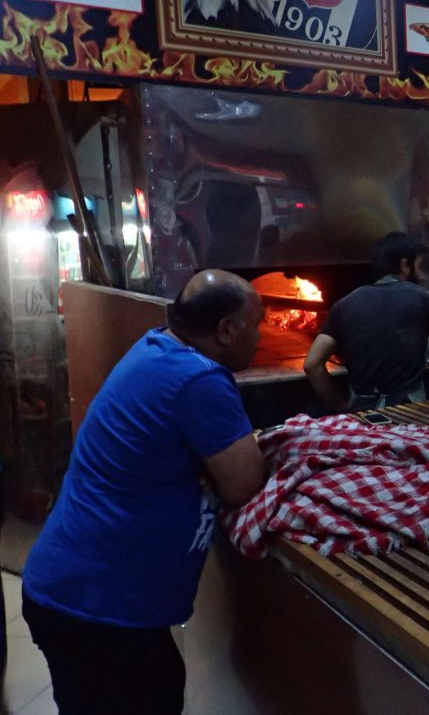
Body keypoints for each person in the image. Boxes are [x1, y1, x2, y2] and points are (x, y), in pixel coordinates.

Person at [22, 269, 267, 715]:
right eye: (258, 324)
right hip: (98, 611)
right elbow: (244, 482)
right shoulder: (200, 379)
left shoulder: (158, 347)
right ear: (227, 330)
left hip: (73, 596)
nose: (262, 336)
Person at [304, 232, 429, 412]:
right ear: (405, 265)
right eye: (419, 267)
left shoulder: (344, 304)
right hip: (409, 410)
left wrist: (340, 404)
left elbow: (312, 364)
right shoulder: (421, 298)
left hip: (361, 411)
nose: (422, 277)